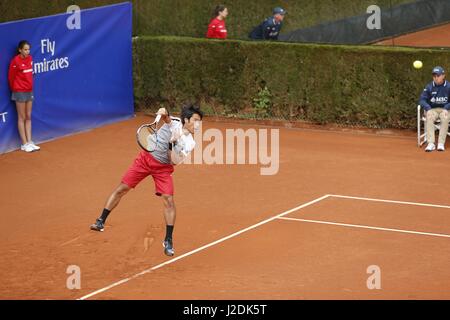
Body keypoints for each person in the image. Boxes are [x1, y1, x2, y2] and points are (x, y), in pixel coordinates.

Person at [89, 104, 203, 257]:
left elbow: (173, 161)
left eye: (200, 122)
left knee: (169, 200)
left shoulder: (190, 143)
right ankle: (100, 220)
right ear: (186, 119)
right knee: (122, 188)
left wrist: (172, 143)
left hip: (163, 168)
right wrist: (162, 112)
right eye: (196, 120)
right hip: (144, 160)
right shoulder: (175, 122)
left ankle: (168, 240)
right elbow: (166, 116)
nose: (198, 125)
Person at [8, 40, 40, 153]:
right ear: (20, 50)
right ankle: (24, 143)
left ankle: (30, 141)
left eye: (28, 49)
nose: (27, 51)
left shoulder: (30, 59)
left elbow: (30, 74)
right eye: (25, 49)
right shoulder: (15, 61)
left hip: (29, 91)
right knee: (21, 117)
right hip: (19, 91)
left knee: (28, 116)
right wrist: (16, 88)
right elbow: (11, 77)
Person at [419, 66, 450, 152]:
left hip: (445, 109)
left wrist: (446, 108)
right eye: (434, 76)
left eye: (438, 75)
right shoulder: (429, 87)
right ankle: (431, 143)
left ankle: (441, 143)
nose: (436, 78)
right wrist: (428, 108)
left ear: (443, 76)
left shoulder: (448, 86)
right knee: (429, 115)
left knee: (445, 116)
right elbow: (422, 100)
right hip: (433, 109)